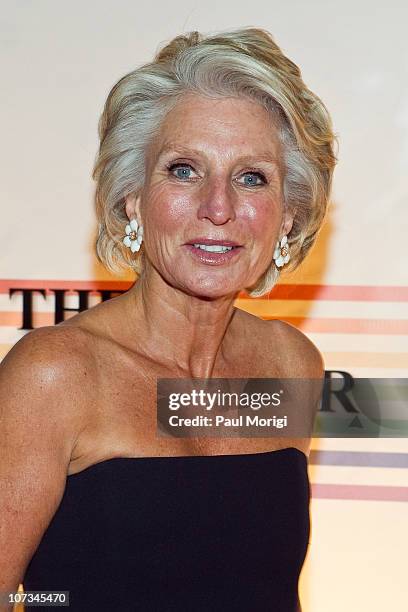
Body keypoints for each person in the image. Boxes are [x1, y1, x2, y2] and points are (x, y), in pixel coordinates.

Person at [0, 27, 336, 612]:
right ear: (132, 198)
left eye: (252, 177)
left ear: (288, 215)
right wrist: (69, 601)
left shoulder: (292, 363)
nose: (219, 207)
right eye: (184, 170)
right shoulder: (56, 375)